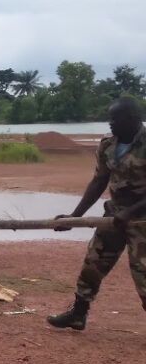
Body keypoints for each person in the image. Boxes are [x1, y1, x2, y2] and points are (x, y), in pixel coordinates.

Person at [47, 96, 146, 330]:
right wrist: (75, 216)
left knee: (144, 275)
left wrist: (131, 212)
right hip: (114, 218)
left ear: (132, 118)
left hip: (142, 221)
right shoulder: (107, 144)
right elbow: (99, 181)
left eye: (115, 118)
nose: (110, 123)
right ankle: (78, 314)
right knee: (93, 263)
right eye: (109, 118)